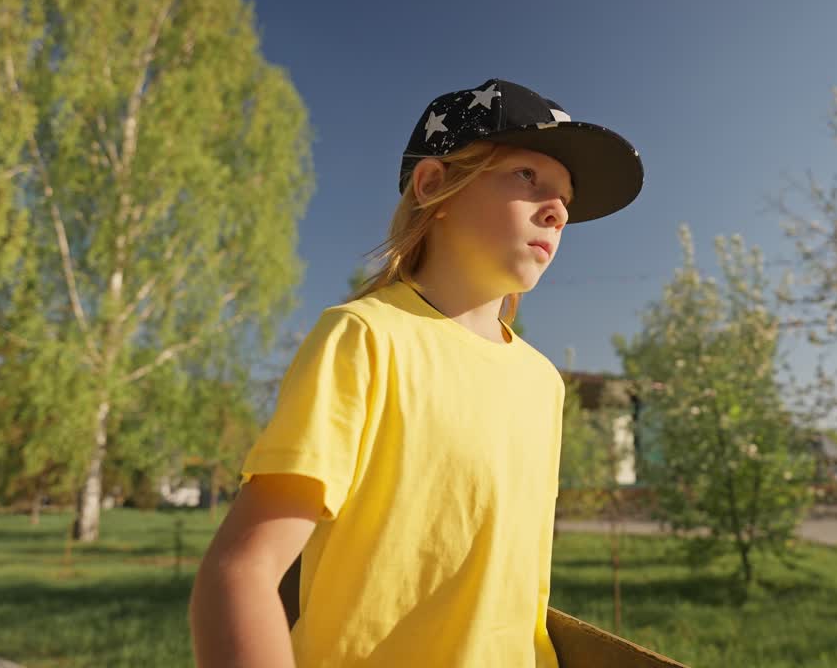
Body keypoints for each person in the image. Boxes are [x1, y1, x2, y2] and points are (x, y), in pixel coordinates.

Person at [189, 78, 644, 667]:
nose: (556, 210)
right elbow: (241, 573)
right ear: (435, 187)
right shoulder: (365, 337)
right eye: (527, 177)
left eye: (566, 199)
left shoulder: (543, 383)